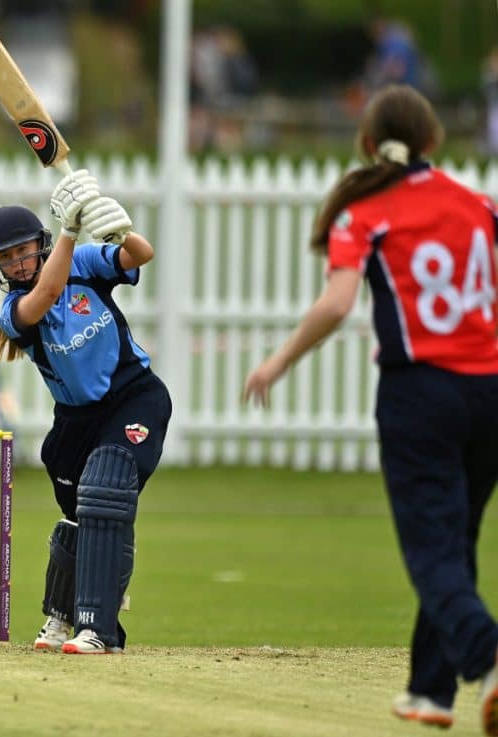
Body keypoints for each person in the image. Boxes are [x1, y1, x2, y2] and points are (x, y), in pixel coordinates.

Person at [241, 84, 498, 734]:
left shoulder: (365, 212)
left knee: (431, 551)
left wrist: (277, 361)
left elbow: (336, 303)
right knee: (456, 539)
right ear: (433, 140)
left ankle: (488, 658)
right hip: (491, 389)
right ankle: (430, 691)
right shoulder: (479, 205)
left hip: (421, 392)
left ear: (366, 143)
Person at [0, 172, 172, 654]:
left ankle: (98, 630)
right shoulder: (13, 310)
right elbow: (46, 294)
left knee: (105, 491)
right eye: (6, 257)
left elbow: (140, 256)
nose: (17, 263)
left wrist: (119, 228)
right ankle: (61, 619)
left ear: (38, 245)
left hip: (134, 397)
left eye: (23, 250)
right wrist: (69, 230)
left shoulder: (82, 261)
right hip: (74, 424)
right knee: (81, 519)